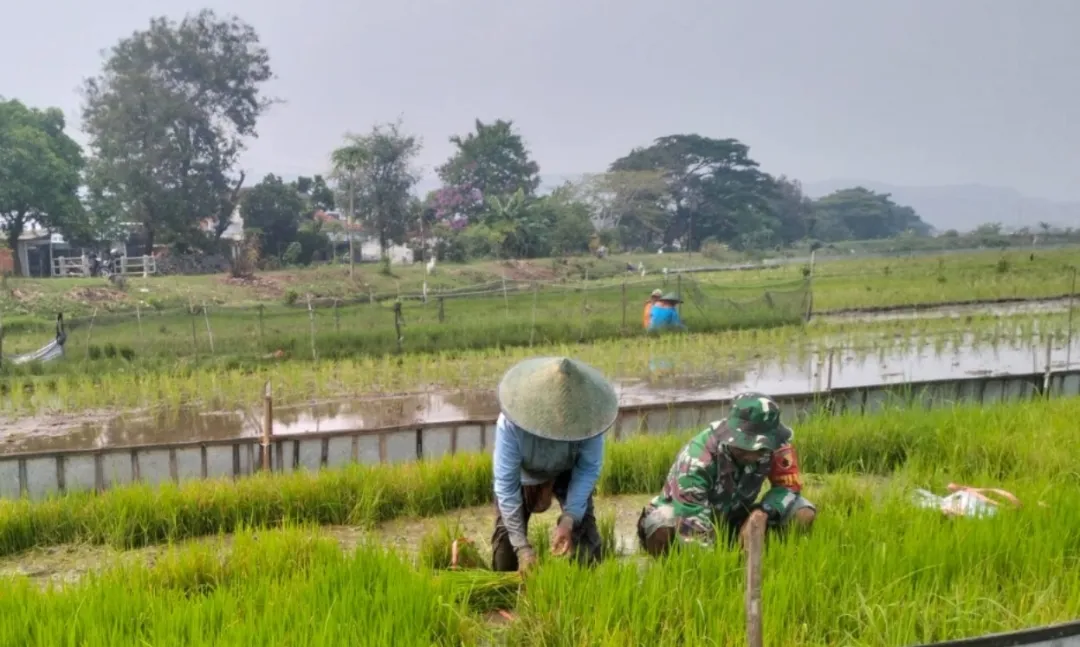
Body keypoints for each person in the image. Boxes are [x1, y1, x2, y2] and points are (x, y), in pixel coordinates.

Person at [636, 392, 816, 556]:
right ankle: (673, 570)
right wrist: (720, 571)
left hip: (733, 516)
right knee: (661, 523)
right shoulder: (697, 460)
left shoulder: (776, 445)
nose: (755, 454)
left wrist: (762, 513)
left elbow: (788, 487)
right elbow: (691, 525)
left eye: (762, 448)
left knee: (803, 512)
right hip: (686, 516)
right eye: (747, 447)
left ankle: (763, 556)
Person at [491, 356, 620, 573]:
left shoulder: (589, 422)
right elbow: (506, 485)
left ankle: (586, 590)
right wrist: (522, 548)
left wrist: (569, 520)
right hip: (525, 473)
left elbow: (587, 470)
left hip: (567, 471)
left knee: (587, 546)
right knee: (505, 555)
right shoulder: (511, 424)